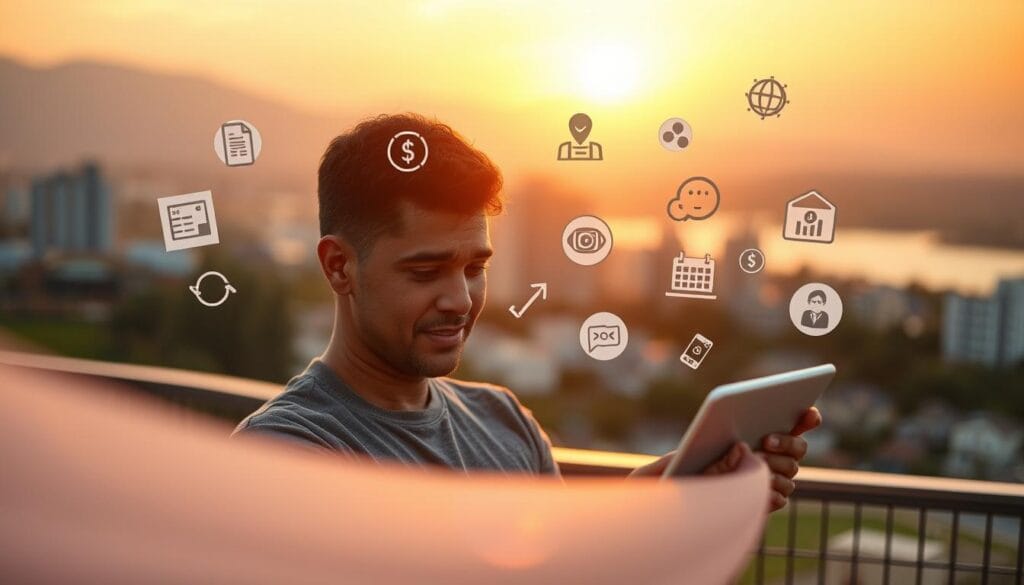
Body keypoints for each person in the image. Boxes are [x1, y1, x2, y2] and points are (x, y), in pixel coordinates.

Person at [233, 113, 821, 511]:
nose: (461, 300)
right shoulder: (287, 455)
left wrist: (670, 497)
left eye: (474, 267)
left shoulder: (506, 422)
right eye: (425, 271)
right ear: (339, 267)